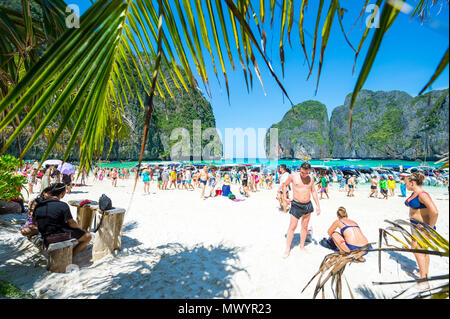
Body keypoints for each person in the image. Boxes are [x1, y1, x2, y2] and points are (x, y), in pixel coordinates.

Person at [33, 183, 92, 257]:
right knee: (87, 237)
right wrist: (80, 229)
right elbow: (71, 223)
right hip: (58, 235)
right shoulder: (63, 205)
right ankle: (70, 257)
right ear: (62, 193)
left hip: (44, 235)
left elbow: (34, 221)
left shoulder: (39, 205)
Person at [405, 173, 439, 290]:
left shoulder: (422, 195)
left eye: (406, 183)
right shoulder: (414, 193)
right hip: (415, 225)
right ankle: (424, 274)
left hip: (423, 227)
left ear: (412, 183)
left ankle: (424, 280)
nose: (404, 185)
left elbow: (434, 212)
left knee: (417, 250)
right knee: (422, 251)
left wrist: (429, 227)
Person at [282, 162, 321, 258]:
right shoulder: (293, 176)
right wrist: (284, 197)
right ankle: (287, 249)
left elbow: (313, 191)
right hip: (296, 205)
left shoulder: (311, 178)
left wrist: (318, 206)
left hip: (307, 205)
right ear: (300, 169)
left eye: (306, 173)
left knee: (305, 227)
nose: (304, 175)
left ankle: (302, 246)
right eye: (303, 172)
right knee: (293, 226)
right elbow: (284, 185)